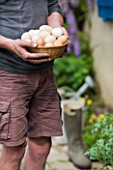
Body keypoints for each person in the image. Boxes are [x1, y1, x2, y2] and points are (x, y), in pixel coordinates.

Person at [0, 1, 66, 170]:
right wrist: (9, 44)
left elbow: (52, 6)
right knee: (14, 151)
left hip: (44, 73)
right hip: (9, 73)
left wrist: (56, 31)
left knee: (41, 147)